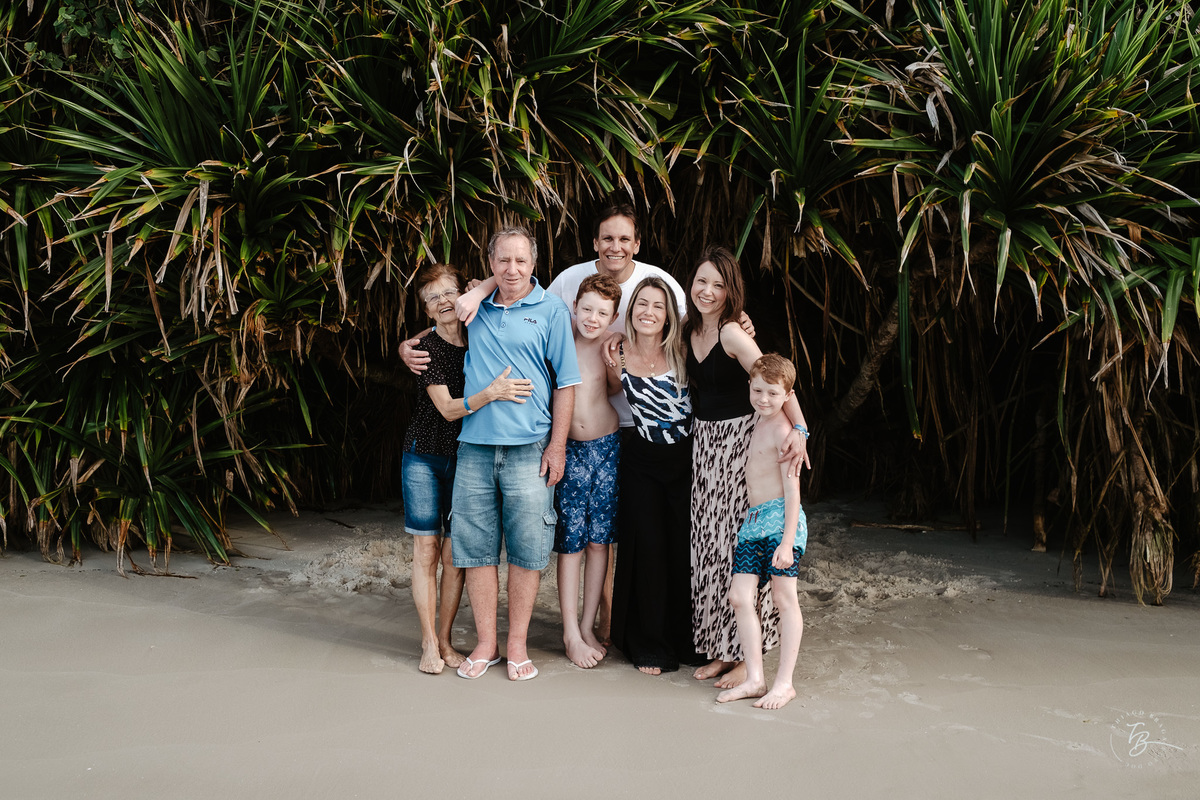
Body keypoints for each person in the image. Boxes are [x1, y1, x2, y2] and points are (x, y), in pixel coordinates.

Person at [451, 227, 581, 682]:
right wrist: (409, 347)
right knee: (476, 550)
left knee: (527, 550)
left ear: (534, 264)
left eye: (521, 261)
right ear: (490, 263)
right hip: (474, 447)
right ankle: (486, 643)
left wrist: (558, 446)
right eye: (503, 260)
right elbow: (438, 331)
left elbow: (567, 383)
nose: (512, 269)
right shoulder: (473, 306)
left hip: (530, 447)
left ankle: (517, 644)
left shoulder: (551, 310)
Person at [684, 246, 810, 689]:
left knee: (740, 549)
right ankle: (723, 649)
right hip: (704, 447)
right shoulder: (687, 329)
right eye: (702, 281)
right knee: (710, 548)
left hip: (739, 444)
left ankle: (745, 657)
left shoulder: (733, 333)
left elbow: (774, 381)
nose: (708, 291)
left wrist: (801, 429)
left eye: (718, 285)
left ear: (730, 291)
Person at [401, 263, 534, 674]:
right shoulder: (426, 349)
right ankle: (428, 642)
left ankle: (445, 640)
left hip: (466, 457)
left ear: (463, 294)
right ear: (426, 310)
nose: (443, 302)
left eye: (449, 292)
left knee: (455, 554)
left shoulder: (480, 327)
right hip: (424, 455)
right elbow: (446, 409)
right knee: (426, 550)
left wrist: (480, 287)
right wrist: (491, 394)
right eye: (433, 298)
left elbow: (508, 277)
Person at [607, 276, 700, 675]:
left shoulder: (684, 348)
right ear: (631, 311)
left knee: (683, 549)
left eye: (658, 306)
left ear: (669, 316)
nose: (648, 312)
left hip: (687, 462)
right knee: (647, 550)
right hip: (642, 461)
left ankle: (689, 641)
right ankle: (649, 644)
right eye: (642, 304)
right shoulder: (616, 353)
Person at [716, 354, 806, 709]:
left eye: (773, 393)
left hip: (781, 523)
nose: (763, 399)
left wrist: (787, 541)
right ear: (749, 387)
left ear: (788, 396)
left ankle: (784, 683)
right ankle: (755, 678)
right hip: (754, 523)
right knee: (740, 596)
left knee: (785, 599)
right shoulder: (758, 419)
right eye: (757, 391)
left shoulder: (784, 431)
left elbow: (793, 492)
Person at [555, 273, 623, 669]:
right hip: (569, 450)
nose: (592, 319)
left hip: (607, 447)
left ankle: (587, 625)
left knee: (600, 542)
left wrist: (613, 363)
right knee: (571, 542)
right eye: (586, 309)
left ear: (613, 317)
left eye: (602, 313)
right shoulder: (560, 338)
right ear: (574, 307)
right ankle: (569, 631)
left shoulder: (612, 346)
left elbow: (613, 389)